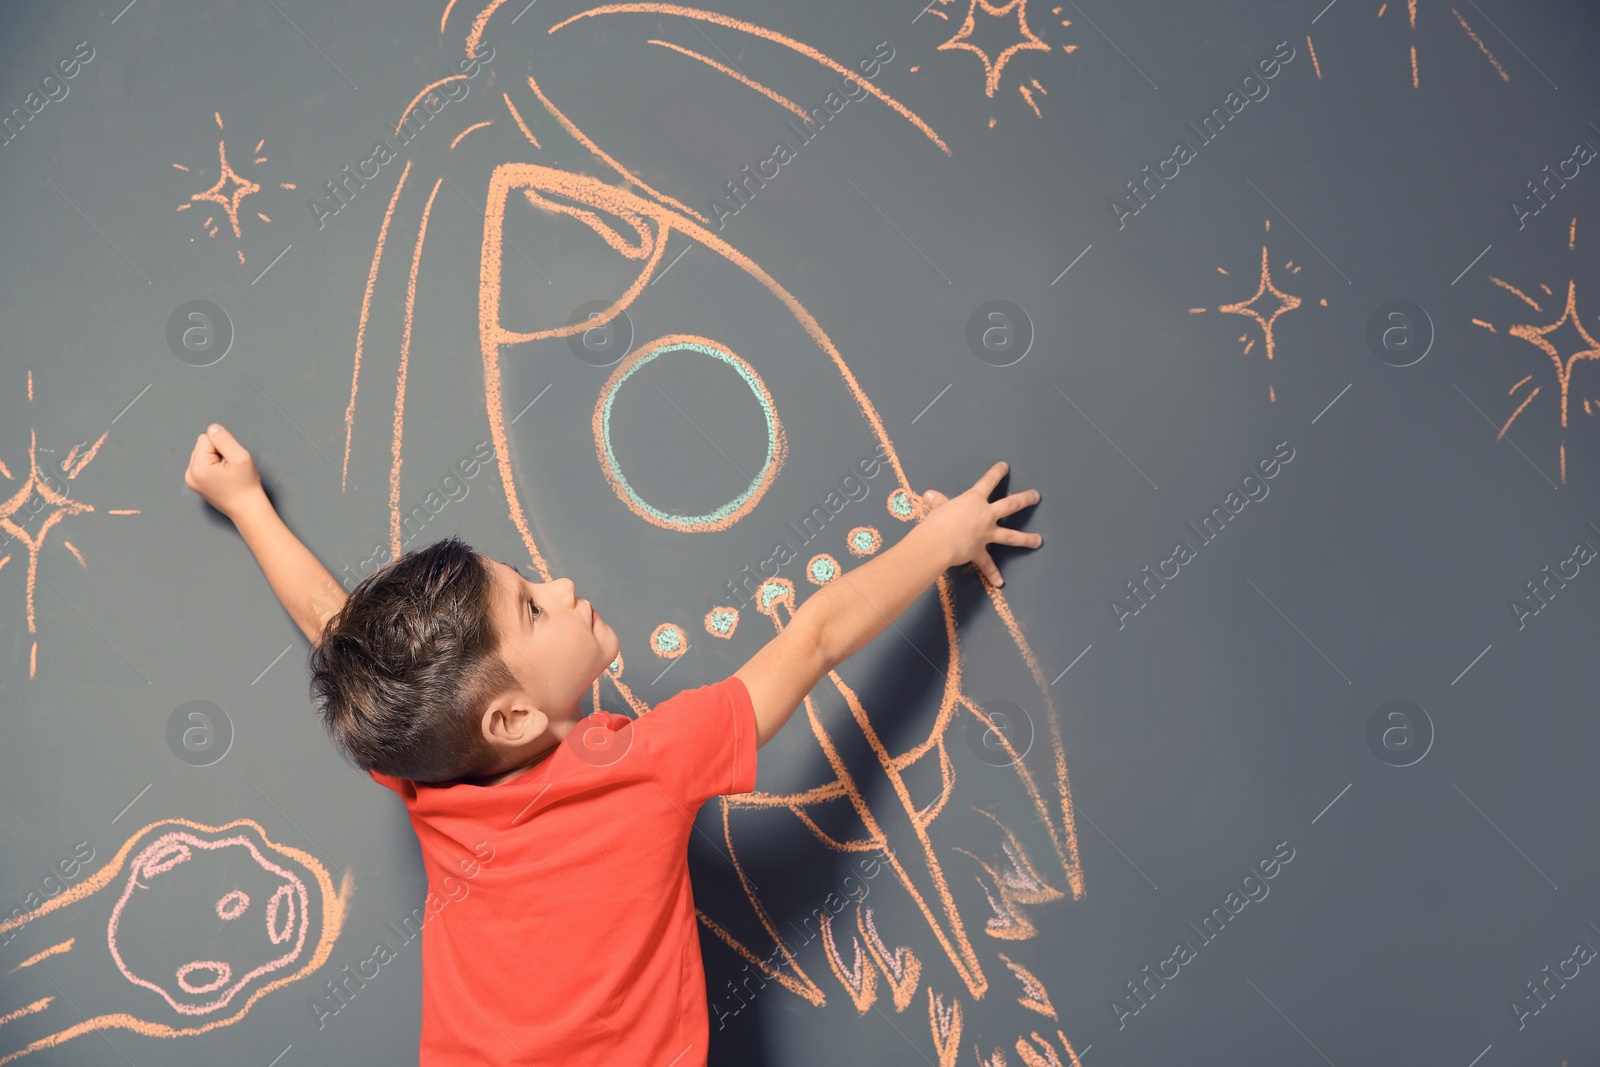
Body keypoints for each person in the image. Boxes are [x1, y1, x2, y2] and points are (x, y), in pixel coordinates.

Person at [183, 421, 1042, 1065]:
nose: (558, 586)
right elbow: (813, 639)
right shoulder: (654, 764)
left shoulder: (428, 778)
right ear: (512, 718)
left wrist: (249, 506)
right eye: (531, 608)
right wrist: (943, 539)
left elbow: (333, 628)